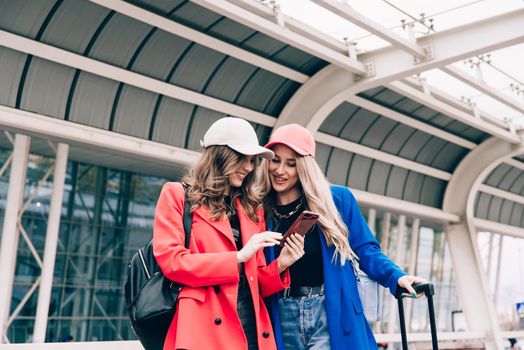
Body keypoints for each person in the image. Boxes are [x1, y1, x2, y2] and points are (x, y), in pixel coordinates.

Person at [261, 124, 426, 350]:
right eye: (275, 160)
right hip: (281, 313)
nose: (280, 170)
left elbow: (366, 249)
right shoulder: (259, 210)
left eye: (291, 163)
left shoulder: (336, 200)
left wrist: (395, 276)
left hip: (329, 311)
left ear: (304, 166)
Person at [153, 117, 305, 350]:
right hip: (202, 329)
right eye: (242, 158)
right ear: (220, 155)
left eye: (252, 160)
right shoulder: (177, 195)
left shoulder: (252, 208)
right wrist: (237, 257)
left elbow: (257, 283)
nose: (249, 167)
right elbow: (172, 263)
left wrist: (281, 265)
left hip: (250, 327)